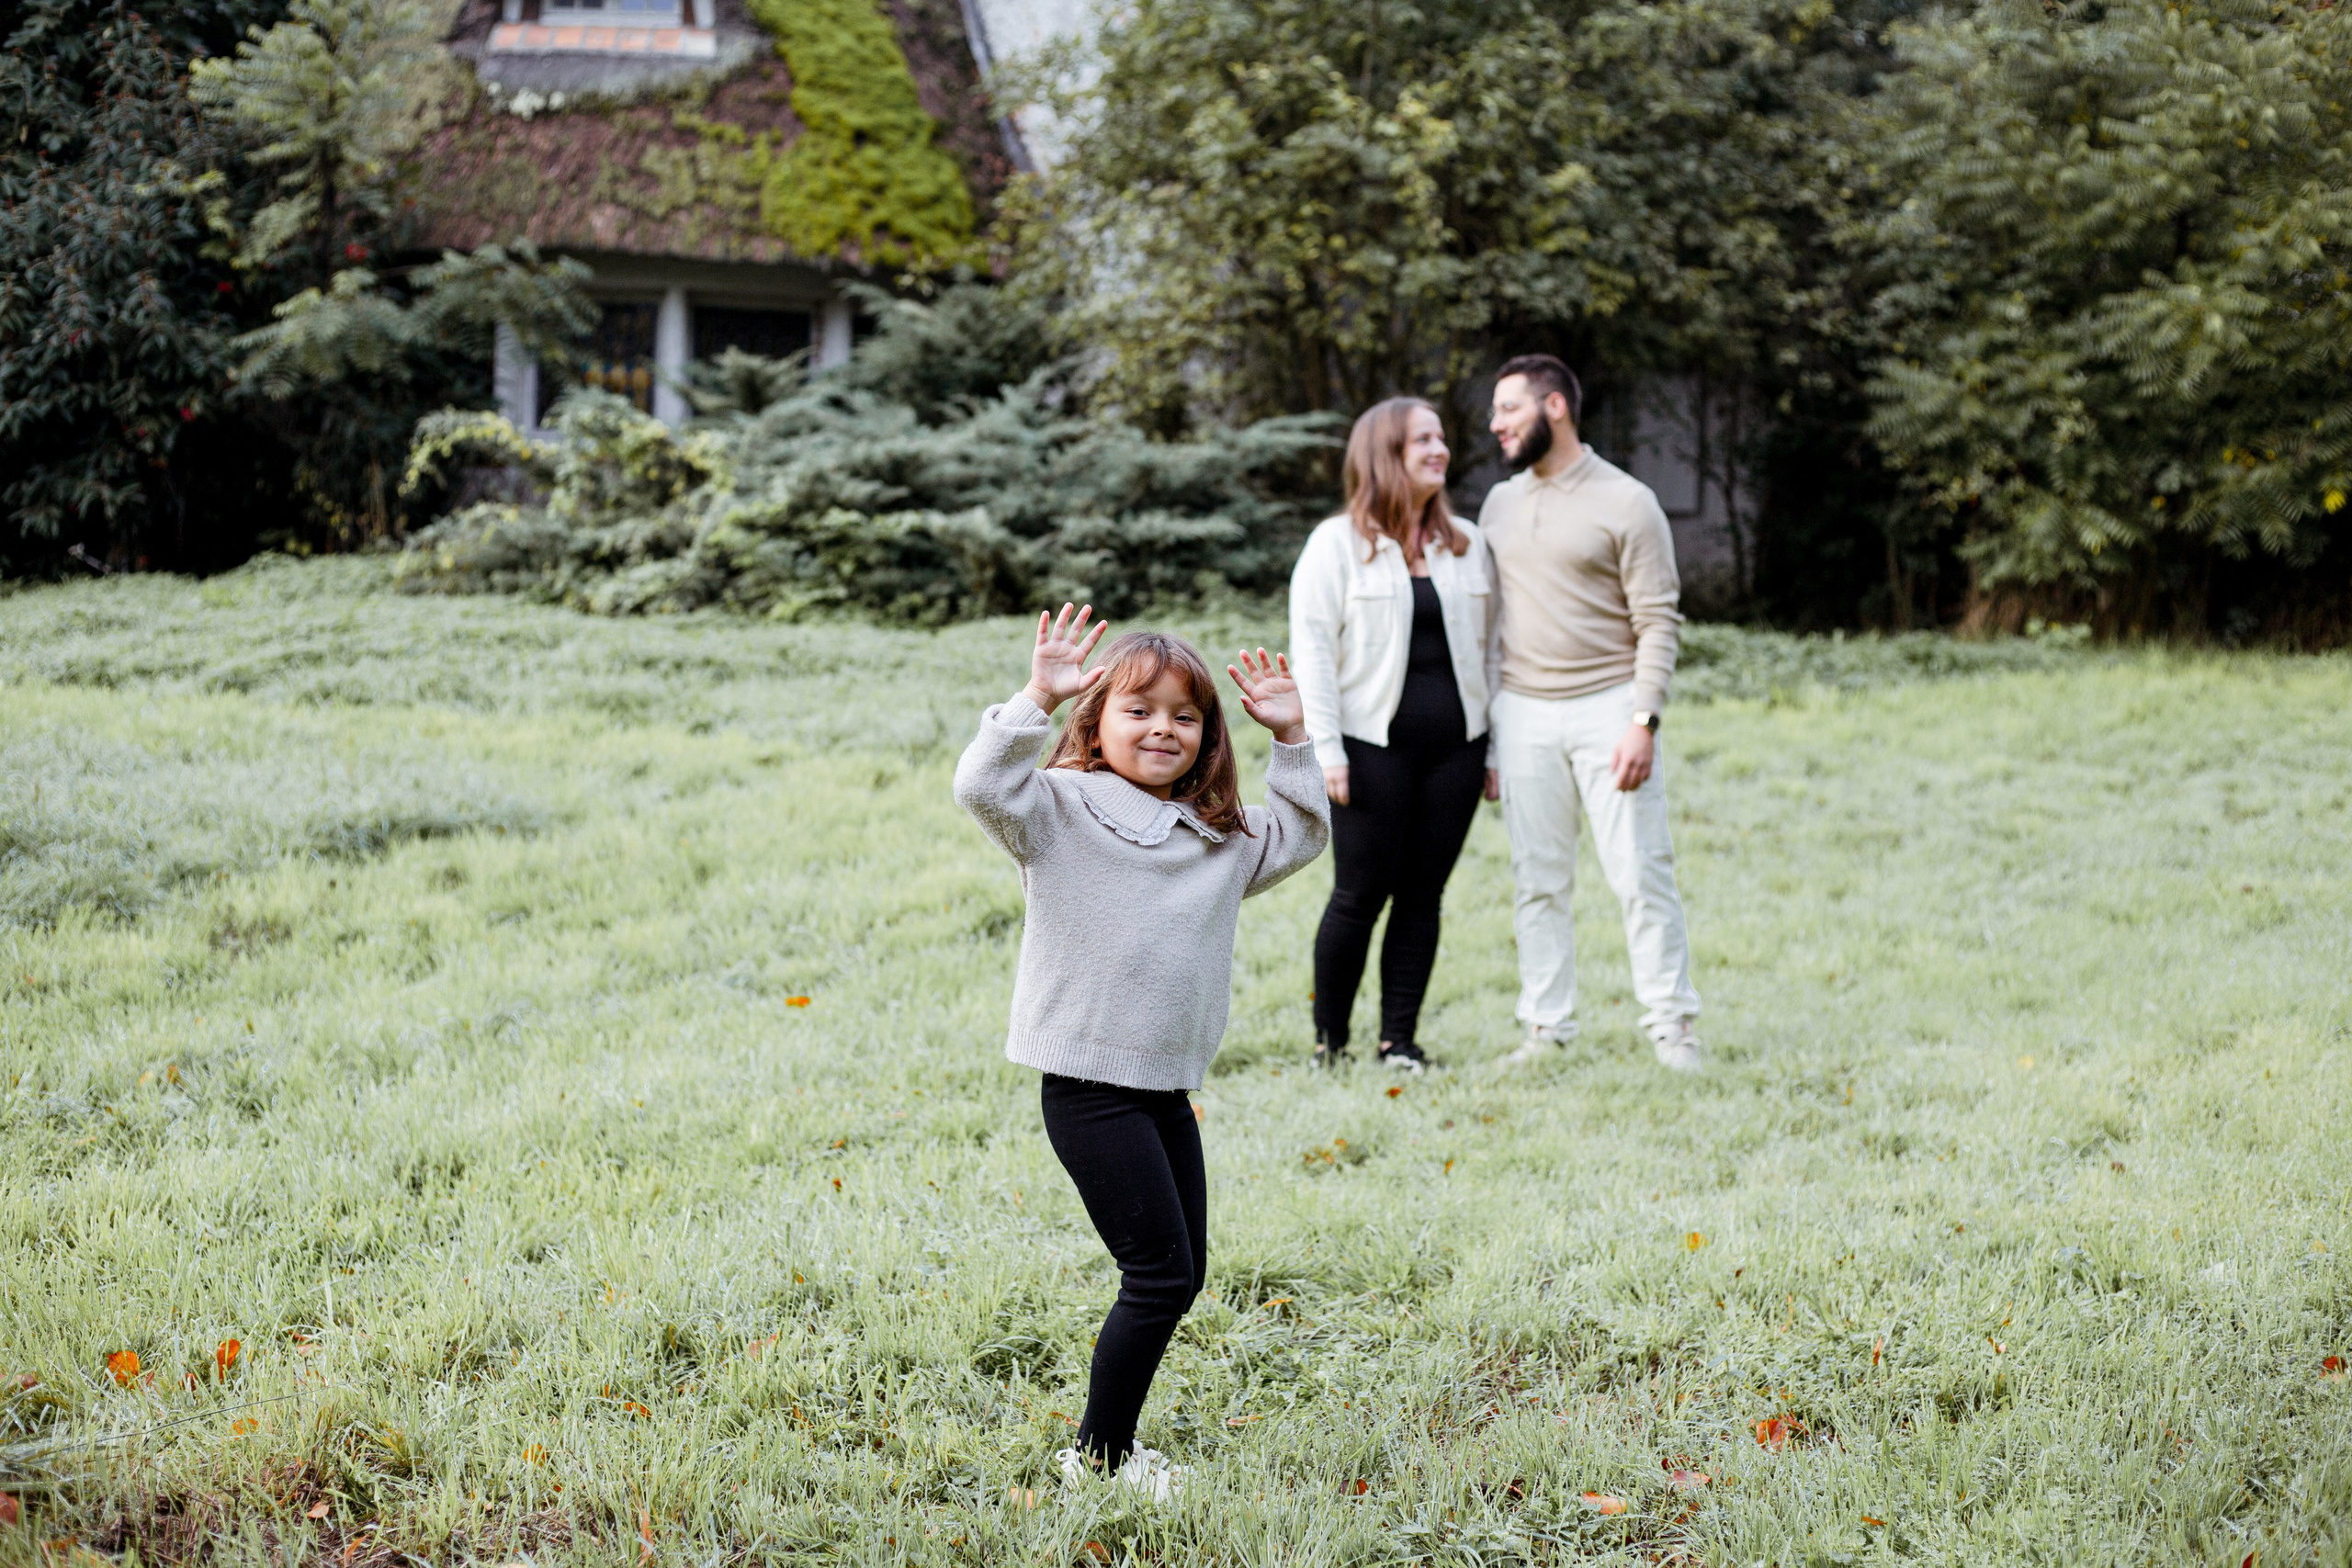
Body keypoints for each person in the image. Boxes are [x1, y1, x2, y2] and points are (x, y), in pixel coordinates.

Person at [952, 606, 1329, 1496]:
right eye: (1139, 710)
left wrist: (1295, 735)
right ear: (1096, 722)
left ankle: (1107, 1450)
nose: (1162, 728)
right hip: (1088, 1087)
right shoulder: (1055, 809)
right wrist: (1034, 696)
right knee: (1157, 1276)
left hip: (1162, 1088)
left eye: (1184, 716)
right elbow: (978, 786)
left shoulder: (1219, 836)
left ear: (1205, 738)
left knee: (1183, 1270)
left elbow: (1305, 833)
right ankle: (1099, 1458)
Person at [1479, 355, 1704, 1072]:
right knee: (1536, 878)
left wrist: (1643, 719)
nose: (1496, 425)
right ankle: (1547, 1028)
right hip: (1523, 713)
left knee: (1640, 872)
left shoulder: (1628, 501)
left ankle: (1673, 1028)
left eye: (1508, 409)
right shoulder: (1499, 504)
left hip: (1609, 705)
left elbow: (1658, 620)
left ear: (1553, 407)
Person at [1288, 397, 1499, 1072]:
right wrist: (1326, 750)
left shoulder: (1466, 544)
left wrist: (1490, 746)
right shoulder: (1335, 545)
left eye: (1441, 437)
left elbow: (1495, 650)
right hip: (1367, 751)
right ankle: (1332, 1044)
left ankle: (1398, 1042)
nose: (1440, 449)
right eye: (1422, 440)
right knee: (1358, 894)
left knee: (1423, 894)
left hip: (1456, 751)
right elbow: (1314, 650)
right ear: (1386, 455)